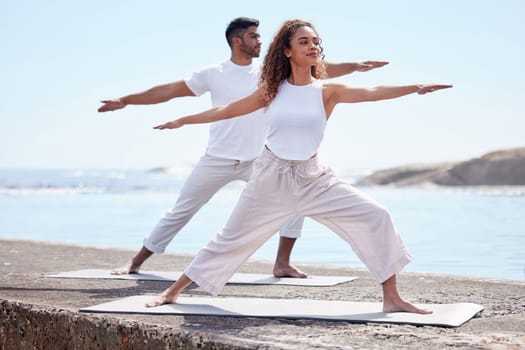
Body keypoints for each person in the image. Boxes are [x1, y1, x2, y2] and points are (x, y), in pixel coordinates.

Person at [145, 18, 452, 313]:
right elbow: (228, 110)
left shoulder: (328, 91)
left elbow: (373, 93)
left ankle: (392, 298)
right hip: (270, 178)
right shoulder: (272, 90)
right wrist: (184, 120)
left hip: (314, 178)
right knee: (230, 238)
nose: (313, 46)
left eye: (316, 41)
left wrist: (415, 87)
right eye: (304, 41)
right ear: (288, 51)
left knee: (376, 216)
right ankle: (171, 292)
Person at [98, 17, 388, 278]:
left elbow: (318, 69)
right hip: (218, 158)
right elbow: (168, 91)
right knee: (182, 210)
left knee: (296, 200)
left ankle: (282, 263)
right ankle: (136, 262)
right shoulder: (212, 73)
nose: (260, 41)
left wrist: (355, 67)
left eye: (260, 36)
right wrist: (126, 100)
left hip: (258, 161)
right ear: (237, 41)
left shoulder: (270, 72)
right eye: (253, 36)